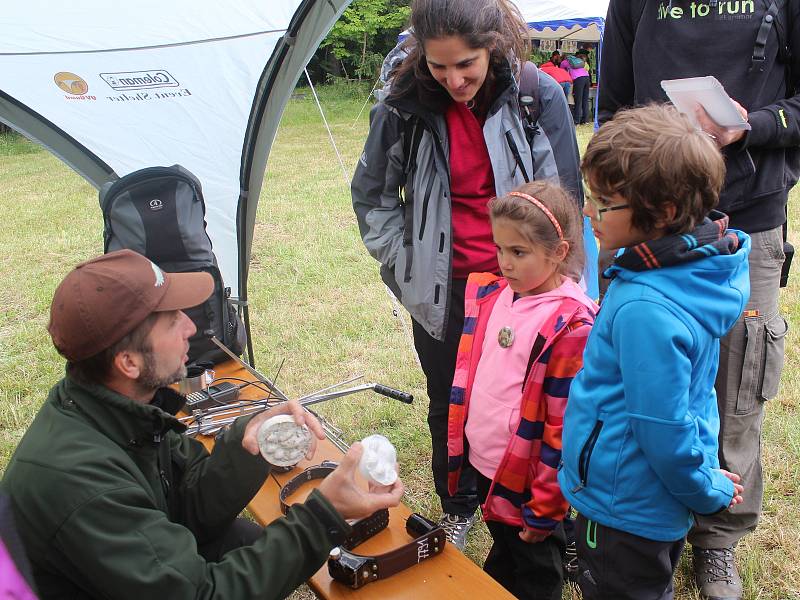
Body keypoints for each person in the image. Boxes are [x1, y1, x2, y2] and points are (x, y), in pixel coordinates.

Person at [0, 250, 404, 599]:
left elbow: (185, 508)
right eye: (173, 319)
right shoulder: (81, 485)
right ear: (128, 362)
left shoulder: (121, 410)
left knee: (243, 539)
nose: (191, 328)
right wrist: (325, 514)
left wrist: (248, 445)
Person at [351, 0, 581, 551]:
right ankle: (459, 504)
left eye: (467, 65)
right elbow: (372, 196)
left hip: (526, 289)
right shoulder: (402, 106)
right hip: (445, 287)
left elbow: (566, 197)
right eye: (439, 66)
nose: (453, 79)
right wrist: (405, 266)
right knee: (449, 398)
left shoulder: (536, 94)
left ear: (493, 46)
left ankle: (551, 520)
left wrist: (559, 288)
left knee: (539, 403)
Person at [597, 3, 798, 597]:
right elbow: (611, 107)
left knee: (736, 382)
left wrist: (752, 125)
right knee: (639, 373)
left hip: (750, 214)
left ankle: (718, 538)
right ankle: (629, 511)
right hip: (646, 221)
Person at [558, 104, 750, 600]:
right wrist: (703, 471)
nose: (586, 212)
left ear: (661, 214)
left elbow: (661, 427)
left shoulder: (646, 306)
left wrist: (705, 490)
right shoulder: (692, 271)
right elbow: (686, 401)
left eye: (603, 202)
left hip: (625, 505)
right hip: (651, 498)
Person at [446, 181, 596, 599]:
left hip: (530, 479)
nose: (504, 263)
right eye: (499, 248)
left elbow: (563, 427)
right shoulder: (497, 297)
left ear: (559, 253)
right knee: (506, 553)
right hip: (490, 465)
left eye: (518, 252)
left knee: (535, 570)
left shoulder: (569, 325)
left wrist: (547, 503)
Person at [560, 50, 591, 125]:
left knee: (578, 100)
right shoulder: (578, 60)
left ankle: (577, 120)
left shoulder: (564, 62)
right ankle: (586, 120)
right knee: (585, 99)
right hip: (587, 78)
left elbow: (561, 72)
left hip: (578, 79)